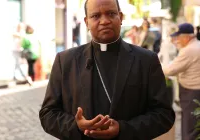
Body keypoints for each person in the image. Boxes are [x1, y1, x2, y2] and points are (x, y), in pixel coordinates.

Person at [39, 0, 175, 140]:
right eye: (96, 16)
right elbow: (48, 114)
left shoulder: (146, 60)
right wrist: (77, 126)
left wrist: (123, 129)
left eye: (111, 14)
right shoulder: (66, 61)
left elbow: (164, 115)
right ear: (86, 22)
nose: (104, 21)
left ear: (120, 17)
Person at [162, 23, 200, 140]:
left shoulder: (189, 50)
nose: (177, 40)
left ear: (186, 37)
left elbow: (170, 70)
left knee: (191, 131)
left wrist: (155, 67)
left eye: (179, 37)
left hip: (194, 93)